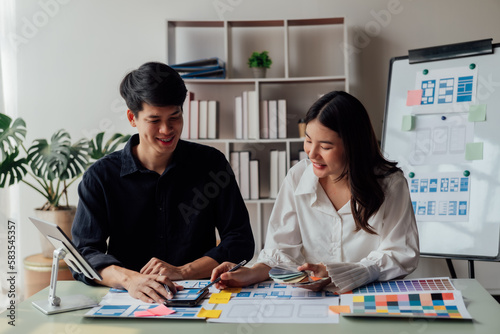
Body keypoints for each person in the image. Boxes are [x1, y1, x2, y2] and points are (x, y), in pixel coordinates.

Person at [71, 62, 255, 304]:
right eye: (154, 119)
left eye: (175, 117)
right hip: (130, 299)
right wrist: (131, 280)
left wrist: (183, 271)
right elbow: (84, 253)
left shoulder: (211, 164)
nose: (167, 129)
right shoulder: (101, 177)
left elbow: (240, 239)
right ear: (132, 118)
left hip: (200, 295)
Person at [211, 91, 419, 293]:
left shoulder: (391, 184)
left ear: (353, 146)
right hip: (313, 300)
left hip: (370, 299)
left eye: (325, 147)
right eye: (309, 140)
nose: (311, 153)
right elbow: (281, 250)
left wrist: (342, 274)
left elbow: (400, 254)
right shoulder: (298, 176)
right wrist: (251, 272)